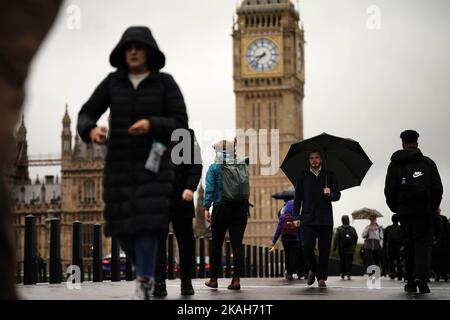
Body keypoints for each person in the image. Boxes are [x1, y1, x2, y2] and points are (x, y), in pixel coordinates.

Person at [77, 26, 188, 299]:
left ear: (149, 52)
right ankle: (145, 271)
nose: (134, 51)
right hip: (119, 164)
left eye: (139, 47)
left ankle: (144, 280)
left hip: (155, 165)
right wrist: (91, 129)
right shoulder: (113, 83)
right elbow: (86, 112)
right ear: (122, 52)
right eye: (129, 47)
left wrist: (152, 124)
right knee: (121, 226)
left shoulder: (165, 83)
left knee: (149, 224)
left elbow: (180, 125)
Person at [384, 130, 443, 294]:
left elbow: (389, 190)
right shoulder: (428, 163)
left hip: (404, 212)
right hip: (424, 211)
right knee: (423, 245)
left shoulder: (394, 164)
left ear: (402, 144)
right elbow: (438, 188)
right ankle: (421, 277)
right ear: (417, 144)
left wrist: (396, 208)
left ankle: (410, 280)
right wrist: (432, 208)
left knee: (408, 245)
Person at [154, 129, 202, 296]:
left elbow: (196, 164)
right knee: (157, 243)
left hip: (182, 198)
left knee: (186, 243)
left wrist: (190, 187)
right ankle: (159, 282)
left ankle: (186, 281)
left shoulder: (186, 135)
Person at [204, 139, 250, 290]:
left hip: (222, 208)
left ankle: (214, 279)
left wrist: (206, 207)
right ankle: (236, 280)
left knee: (216, 244)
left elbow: (210, 189)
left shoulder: (215, 167)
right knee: (237, 245)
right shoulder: (241, 164)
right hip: (241, 208)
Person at [293, 149, 341, 288]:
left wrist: (330, 194)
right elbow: (297, 198)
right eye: (312, 158)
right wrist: (296, 216)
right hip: (307, 218)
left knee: (324, 249)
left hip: (325, 219)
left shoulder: (329, 175)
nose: (314, 160)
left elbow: (338, 195)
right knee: (307, 247)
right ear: (309, 160)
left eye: (317, 158)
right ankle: (313, 269)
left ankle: (321, 278)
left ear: (321, 159)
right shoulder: (303, 175)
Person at [271, 200, 300, 281]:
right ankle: (291, 272)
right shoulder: (297, 217)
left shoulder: (282, 217)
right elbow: (300, 229)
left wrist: (274, 241)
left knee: (287, 256)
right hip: (295, 239)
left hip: (285, 239)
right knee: (293, 256)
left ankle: (288, 273)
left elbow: (278, 229)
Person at [333, 215, 357, 280]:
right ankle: (349, 272)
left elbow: (336, 238)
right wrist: (354, 245)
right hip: (350, 248)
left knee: (342, 260)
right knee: (349, 261)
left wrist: (334, 247)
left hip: (342, 248)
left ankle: (342, 273)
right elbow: (356, 237)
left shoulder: (339, 229)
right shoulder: (352, 228)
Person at [383, 214, 403, 280]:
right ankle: (400, 275)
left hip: (390, 246)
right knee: (399, 261)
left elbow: (384, 238)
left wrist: (384, 247)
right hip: (398, 246)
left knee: (391, 260)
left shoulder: (388, 228)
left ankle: (392, 274)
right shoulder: (401, 228)